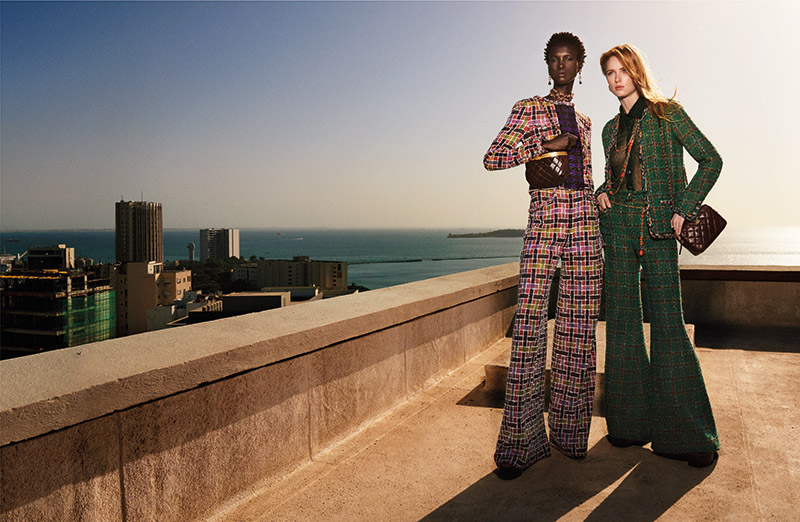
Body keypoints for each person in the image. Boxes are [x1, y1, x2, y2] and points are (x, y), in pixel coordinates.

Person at [484, 32, 603, 480]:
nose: (561, 66)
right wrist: (545, 146)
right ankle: (520, 445)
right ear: (547, 64)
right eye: (554, 59)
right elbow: (493, 158)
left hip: (586, 226)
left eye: (569, 60)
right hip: (544, 222)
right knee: (530, 326)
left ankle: (570, 437)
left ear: (579, 66)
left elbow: (588, 177)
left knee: (578, 333)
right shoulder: (528, 108)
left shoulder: (589, 122)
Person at [596, 44, 722, 467]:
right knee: (623, 323)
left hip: (659, 228)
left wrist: (683, 209)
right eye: (608, 73)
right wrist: (601, 192)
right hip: (617, 227)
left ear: (635, 71)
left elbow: (711, 160)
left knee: (668, 324)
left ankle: (692, 437)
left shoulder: (669, 113)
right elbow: (613, 177)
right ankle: (629, 426)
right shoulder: (609, 129)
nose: (615, 79)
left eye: (621, 71)